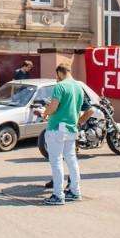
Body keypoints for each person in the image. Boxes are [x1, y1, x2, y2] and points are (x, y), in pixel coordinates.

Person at [41, 63, 85, 205]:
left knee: (56, 162)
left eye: (57, 76)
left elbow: (53, 106)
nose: (57, 78)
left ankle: (58, 195)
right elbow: (79, 108)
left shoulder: (60, 86)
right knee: (72, 161)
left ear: (60, 73)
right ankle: (75, 192)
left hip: (57, 128)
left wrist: (45, 113)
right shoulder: (79, 87)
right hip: (71, 128)